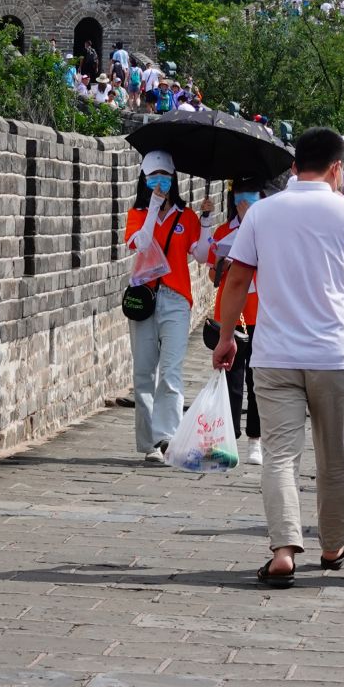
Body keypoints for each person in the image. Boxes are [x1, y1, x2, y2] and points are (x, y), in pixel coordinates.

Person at [212, 128, 344, 587]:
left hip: (273, 354)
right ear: (337, 167)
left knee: (280, 456)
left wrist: (228, 338)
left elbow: (236, 281)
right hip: (331, 355)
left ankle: (284, 550)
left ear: (293, 167)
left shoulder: (263, 213)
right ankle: (332, 543)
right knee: (333, 457)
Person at [124, 151, 203, 463]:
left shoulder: (187, 218)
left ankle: (167, 436)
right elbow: (139, 243)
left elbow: (202, 255)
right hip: (144, 297)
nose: (160, 181)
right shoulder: (137, 214)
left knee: (170, 370)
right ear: (145, 179)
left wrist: (207, 224)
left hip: (176, 299)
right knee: (144, 371)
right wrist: (153, 206)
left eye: (166, 175)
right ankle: (149, 444)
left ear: (174, 178)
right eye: (154, 175)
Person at [196, 180, 265, 466]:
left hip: (261, 313)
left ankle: (255, 439)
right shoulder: (224, 232)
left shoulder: (268, 230)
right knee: (233, 378)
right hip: (231, 315)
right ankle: (230, 435)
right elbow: (214, 278)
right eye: (239, 193)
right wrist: (225, 261)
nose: (244, 199)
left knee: (258, 380)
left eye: (250, 193)